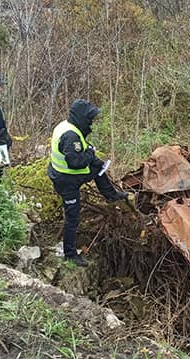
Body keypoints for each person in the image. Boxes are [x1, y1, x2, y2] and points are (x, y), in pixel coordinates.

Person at [48, 99, 128, 267]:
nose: (92, 121)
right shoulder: (71, 136)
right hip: (67, 180)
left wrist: (93, 158)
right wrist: (90, 155)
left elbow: (79, 153)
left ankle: (111, 195)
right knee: (73, 217)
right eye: (90, 118)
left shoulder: (67, 126)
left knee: (99, 167)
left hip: (64, 174)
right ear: (82, 118)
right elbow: (75, 162)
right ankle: (70, 254)